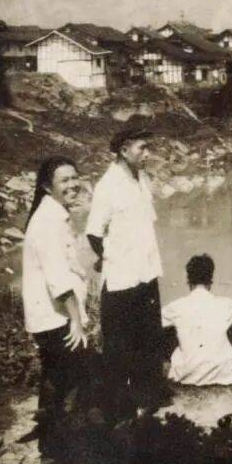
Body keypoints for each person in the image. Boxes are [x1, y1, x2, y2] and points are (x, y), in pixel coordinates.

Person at [86, 126, 164, 416]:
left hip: (146, 271)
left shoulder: (140, 178)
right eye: (142, 148)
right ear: (124, 150)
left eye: (148, 148)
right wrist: (110, 259)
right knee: (120, 344)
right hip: (122, 278)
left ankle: (148, 397)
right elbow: (94, 232)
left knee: (149, 337)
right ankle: (119, 406)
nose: (147, 154)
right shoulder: (108, 186)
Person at [22, 156, 91, 438]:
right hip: (57, 316)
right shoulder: (47, 223)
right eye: (65, 180)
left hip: (51, 315)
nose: (73, 185)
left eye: (75, 178)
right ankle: (65, 441)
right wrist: (76, 320)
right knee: (73, 378)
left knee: (55, 372)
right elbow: (58, 280)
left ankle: (48, 432)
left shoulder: (54, 216)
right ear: (47, 187)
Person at [161, 254, 232, 386]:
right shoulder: (225, 304)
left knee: (169, 325)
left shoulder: (176, 306)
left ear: (189, 281)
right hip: (223, 372)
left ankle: (171, 361)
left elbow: (156, 320)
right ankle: (226, 359)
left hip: (186, 373)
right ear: (210, 281)